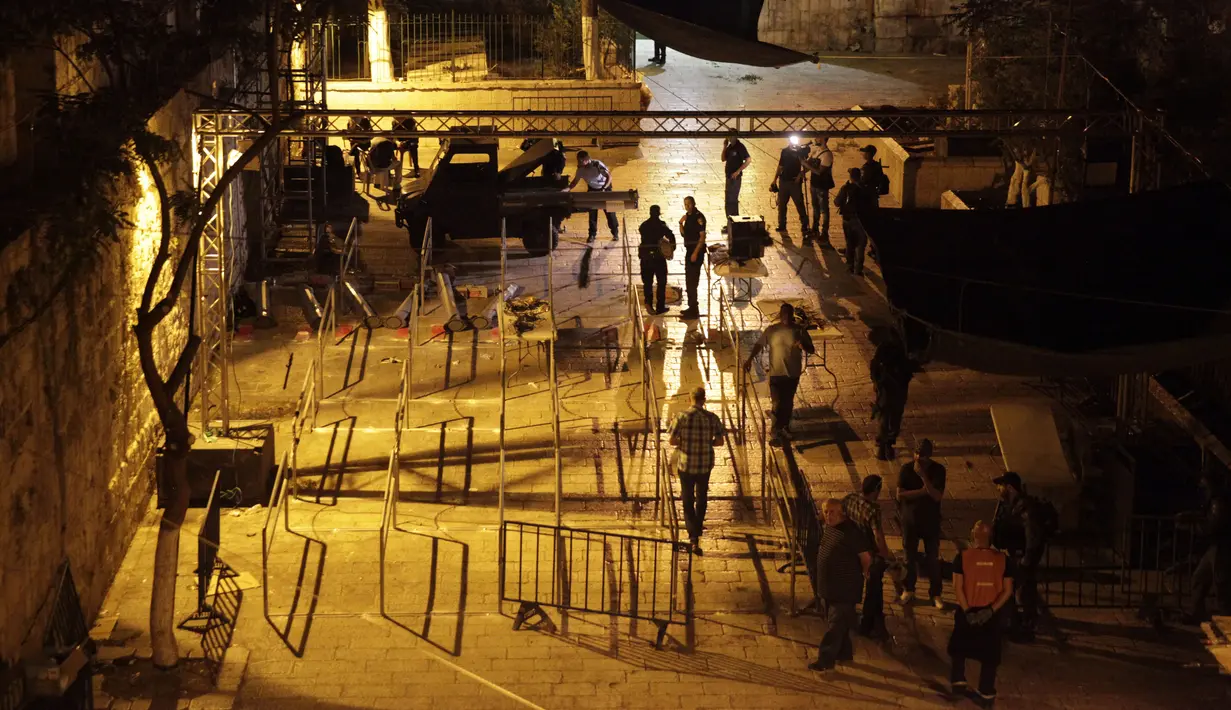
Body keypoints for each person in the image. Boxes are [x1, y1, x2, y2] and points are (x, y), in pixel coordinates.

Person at [950, 521, 1015, 709]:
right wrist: (991, 611)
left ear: (973, 535)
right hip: (990, 614)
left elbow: (958, 587)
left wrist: (968, 611)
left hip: (967, 610)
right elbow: (1007, 590)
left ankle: (958, 681)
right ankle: (986, 693)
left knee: (959, 648)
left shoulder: (962, 557)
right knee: (990, 655)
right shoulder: (1003, 559)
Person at [809, 499, 873, 673]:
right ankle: (844, 653)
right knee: (840, 623)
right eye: (826, 512)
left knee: (835, 625)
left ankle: (825, 660)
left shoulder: (851, 533)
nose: (828, 515)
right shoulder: (830, 527)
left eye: (832, 512)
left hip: (845, 588)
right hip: (829, 587)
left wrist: (864, 574)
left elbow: (866, 558)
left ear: (841, 512)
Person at [744, 303, 815, 444]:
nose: (786, 317)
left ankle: (784, 427)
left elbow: (811, 349)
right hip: (776, 372)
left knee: (788, 403)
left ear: (792, 315)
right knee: (777, 403)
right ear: (780, 315)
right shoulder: (772, 330)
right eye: (784, 314)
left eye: (789, 314)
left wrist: (803, 345)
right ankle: (775, 431)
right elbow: (759, 344)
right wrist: (750, 359)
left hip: (792, 373)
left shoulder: (799, 331)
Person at [669, 387, 726, 555]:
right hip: (704, 464)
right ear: (704, 399)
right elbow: (720, 441)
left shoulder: (681, 417)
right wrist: (707, 444)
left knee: (687, 499)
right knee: (702, 497)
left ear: (690, 399)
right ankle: (697, 529)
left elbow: (672, 440)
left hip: (686, 465)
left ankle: (692, 535)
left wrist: (684, 442)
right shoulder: (712, 418)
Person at [991, 471, 1046, 642]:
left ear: (1009, 487)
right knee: (1017, 591)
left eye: (1001, 486)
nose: (999, 489)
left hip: (1022, 557)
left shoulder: (1025, 507)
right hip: (1015, 555)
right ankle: (1016, 624)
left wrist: (1026, 561)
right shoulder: (1011, 504)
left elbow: (1033, 536)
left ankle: (1023, 627)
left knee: (1020, 592)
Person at [897, 439, 947, 608]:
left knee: (932, 559)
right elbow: (900, 494)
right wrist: (922, 491)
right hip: (910, 521)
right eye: (916, 454)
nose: (918, 458)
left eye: (922, 455)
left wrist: (923, 477)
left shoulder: (938, 470)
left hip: (930, 522)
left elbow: (936, 496)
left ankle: (936, 593)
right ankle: (908, 589)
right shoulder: (906, 469)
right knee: (908, 557)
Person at [844, 475, 894, 638]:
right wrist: (887, 555)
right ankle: (868, 621)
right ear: (876, 491)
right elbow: (878, 536)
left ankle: (877, 616)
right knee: (875, 582)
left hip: (851, 549)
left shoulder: (850, 498)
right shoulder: (873, 510)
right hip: (866, 554)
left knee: (876, 585)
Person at [1182, 471, 1231, 623]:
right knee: (1200, 578)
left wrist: (1190, 526)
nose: (1202, 488)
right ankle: (1197, 613)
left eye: (1204, 485)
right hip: (1216, 547)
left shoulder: (1219, 502)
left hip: (1223, 548)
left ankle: (1226, 620)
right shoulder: (1215, 501)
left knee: (1221, 586)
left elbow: (1212, 526)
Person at [869, 327, 915, 460]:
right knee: (886, 418)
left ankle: (887, 444)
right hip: (887, 390)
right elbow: (875, 366)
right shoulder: (885, 349)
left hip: (897, 391)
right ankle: (884, 444)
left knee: (892, 418)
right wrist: (877, 382)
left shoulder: (902, 350)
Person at [566, 150, 620, 242]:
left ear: (587, 159)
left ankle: (615, 233)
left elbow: (609, 177)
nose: (579, 163)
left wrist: (604, 188)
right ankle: (592, 235)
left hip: (605, 188)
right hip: (592, 189)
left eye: (581, 161)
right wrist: (567, 189)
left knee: (610, 212)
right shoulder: (580, 170)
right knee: (592, 213)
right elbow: (575, 182)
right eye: (578, 160)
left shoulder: (597, 165)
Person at [834, 168, 872, 276]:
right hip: (861, 221)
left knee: (849, 243)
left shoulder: (845, 188)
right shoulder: (865, 189)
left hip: (847, 220)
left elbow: (836, 202)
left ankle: (850, 266)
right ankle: (858, 269)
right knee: (860, 245)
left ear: (850, 177)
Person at [637, 205, 675, 314]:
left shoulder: (643, 226)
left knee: (647, 283)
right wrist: (671, 249)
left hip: (646, 258)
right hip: (658, 258)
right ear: (659, 213)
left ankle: (648, 304)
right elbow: (671, 236)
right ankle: (660, 306)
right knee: (661, 283)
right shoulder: (662, 226)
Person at [771, 136, 809, 236]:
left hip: (794, 183)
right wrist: (774, 180)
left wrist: (801, 174)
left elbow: (806, 165)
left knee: (799, 204)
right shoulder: (784, 151)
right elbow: (780, 166)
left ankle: (804, 225)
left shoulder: (800, 152)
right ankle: (782, 225)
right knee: (782, 205)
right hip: (783, 181)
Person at [678, 196, 707, 320]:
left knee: (692, 282)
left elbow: (702, 238)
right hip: (689, 251)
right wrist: (680, 223)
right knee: (688, 281)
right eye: (685, 204)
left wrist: (695, 253)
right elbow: (684, 234)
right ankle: (691, 307)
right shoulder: (688, 217)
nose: (687, 206)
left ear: (694, 204)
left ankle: (694, 310)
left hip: (696, 253)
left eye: (689, 204)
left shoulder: (699, 217)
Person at [804, 135, 835, 246]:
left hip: (822, 186)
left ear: (822, 139)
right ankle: (815, 228)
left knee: (823, 210)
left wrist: (805, 164)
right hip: (814, 184)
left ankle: (824, 232)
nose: (815, 139)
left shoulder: (827, 155)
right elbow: (808, 165)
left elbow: (819, 172)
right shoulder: (816, 151)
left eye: (817, 137)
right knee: (815, 207)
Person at [721, 136, 751, 231]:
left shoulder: (740, 147)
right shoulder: (730, 147)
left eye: (732, 136)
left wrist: (738, 171)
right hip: (729, 178)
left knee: (732, 201)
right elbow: (723, 159)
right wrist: (724, 146)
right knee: (728, 201)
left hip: (735, 179)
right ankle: (730, 223)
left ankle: (734, 224)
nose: (730, 138)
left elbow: (748, 160)